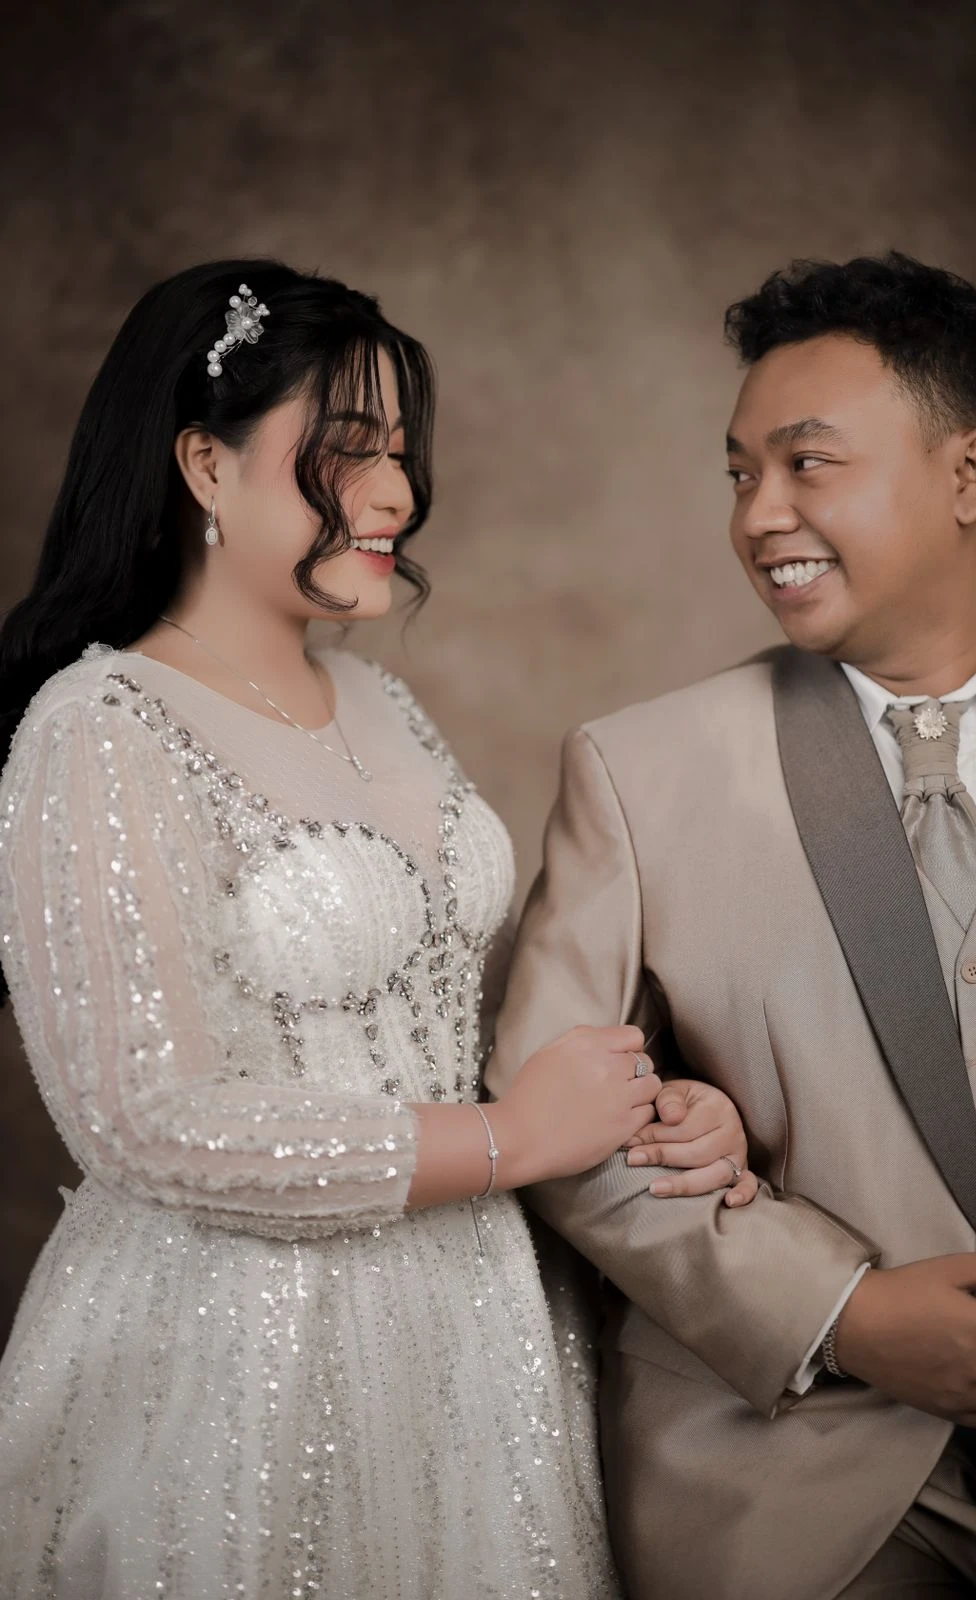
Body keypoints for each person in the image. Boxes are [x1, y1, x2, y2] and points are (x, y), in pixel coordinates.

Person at [0, 260, 758, 1600]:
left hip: (475, 1330)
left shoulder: (379, 704)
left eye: (400, 452)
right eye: (349, 449)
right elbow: (142, 1121)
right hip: (237, 1355)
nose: (398, 493)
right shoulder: (101, 726)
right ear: (206, 465)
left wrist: (641, 1104)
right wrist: (509, 1140)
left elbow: (450, 1020)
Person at [488, 251, 976, 1599]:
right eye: (739, 474)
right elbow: (548, 1117)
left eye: (807, 464)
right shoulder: (637, 771)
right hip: (785, 1493)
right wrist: (840, 1313)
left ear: (968, 472)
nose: (759, 516)